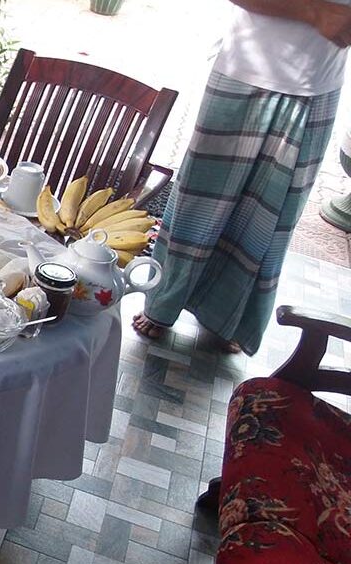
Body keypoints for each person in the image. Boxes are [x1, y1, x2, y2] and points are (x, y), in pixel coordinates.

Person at [132, 0, 351, 354]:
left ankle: (229, 317)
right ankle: (163, 303)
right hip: (245, 70)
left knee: (270, 218)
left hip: (319, 84)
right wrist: (315, 12)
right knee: (198, 202)